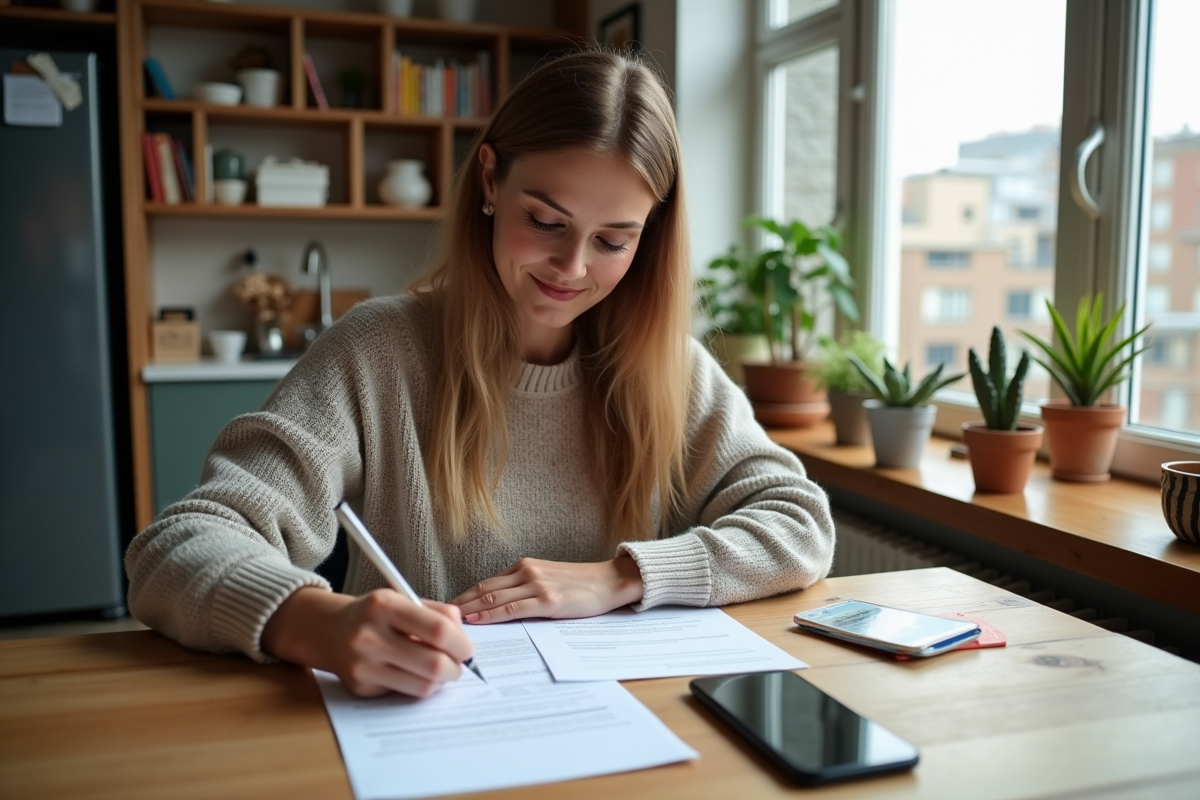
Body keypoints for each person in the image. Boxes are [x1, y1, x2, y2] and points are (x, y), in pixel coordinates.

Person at [126, 49, 835, 700]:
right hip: (424, 733)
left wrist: (620, 577)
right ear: (491, 179)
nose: (573, 268)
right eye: (547, 221)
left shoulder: (669, 369)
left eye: (613, 240)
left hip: (630, 733)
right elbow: (176, 549)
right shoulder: (378, 351)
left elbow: (800, 523)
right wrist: (314, 622)